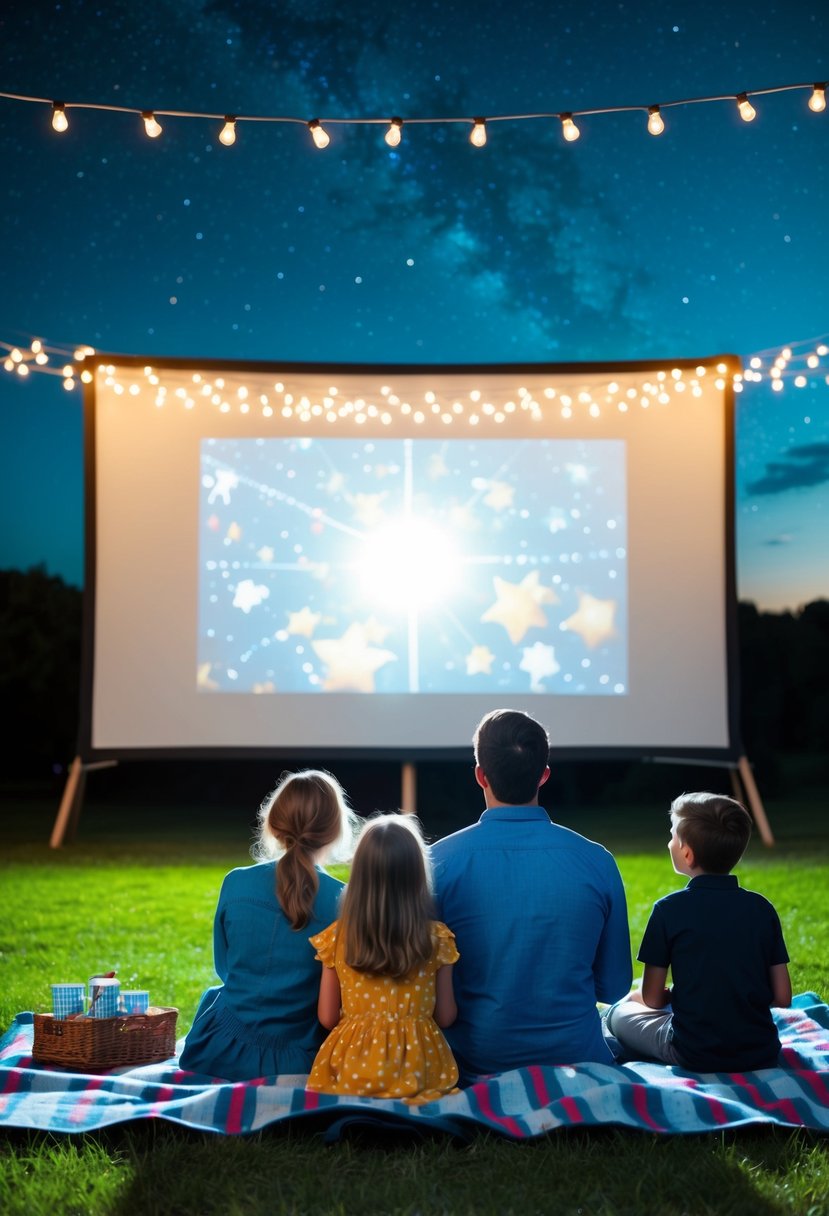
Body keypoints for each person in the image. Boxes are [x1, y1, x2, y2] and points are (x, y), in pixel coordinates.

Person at [431, 708, 632, 1081]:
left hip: (472, 1062)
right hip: (578, 1059)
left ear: (480, 776)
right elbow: (615, 986)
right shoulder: (596, 860)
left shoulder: (436, 863)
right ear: (544, 775)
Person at [179, 769, 356, 1080]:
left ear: (274, 824)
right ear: (335, 831)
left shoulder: (235, 883)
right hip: (299, 1060)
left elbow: (225, 968)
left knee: (216, 993)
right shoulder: (344, 900)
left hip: (218, 1048)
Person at [606, 792, 792, 1071]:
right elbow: (783, 997)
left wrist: (676, 996)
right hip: (760, 1052)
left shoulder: (668, 910)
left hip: (693, 1052)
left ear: (687, 853)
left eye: (672, 836)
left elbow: (653, 999)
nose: (669, 842)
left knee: (617, 1014)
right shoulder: (762, 909)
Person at [306, 814, 460, 1104]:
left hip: (351, 1073)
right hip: (421, 1073)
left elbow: (326, 1018)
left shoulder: (338, 939)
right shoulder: (438, 939)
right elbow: (446, 1016)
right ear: (417, 876)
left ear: (359, 876)